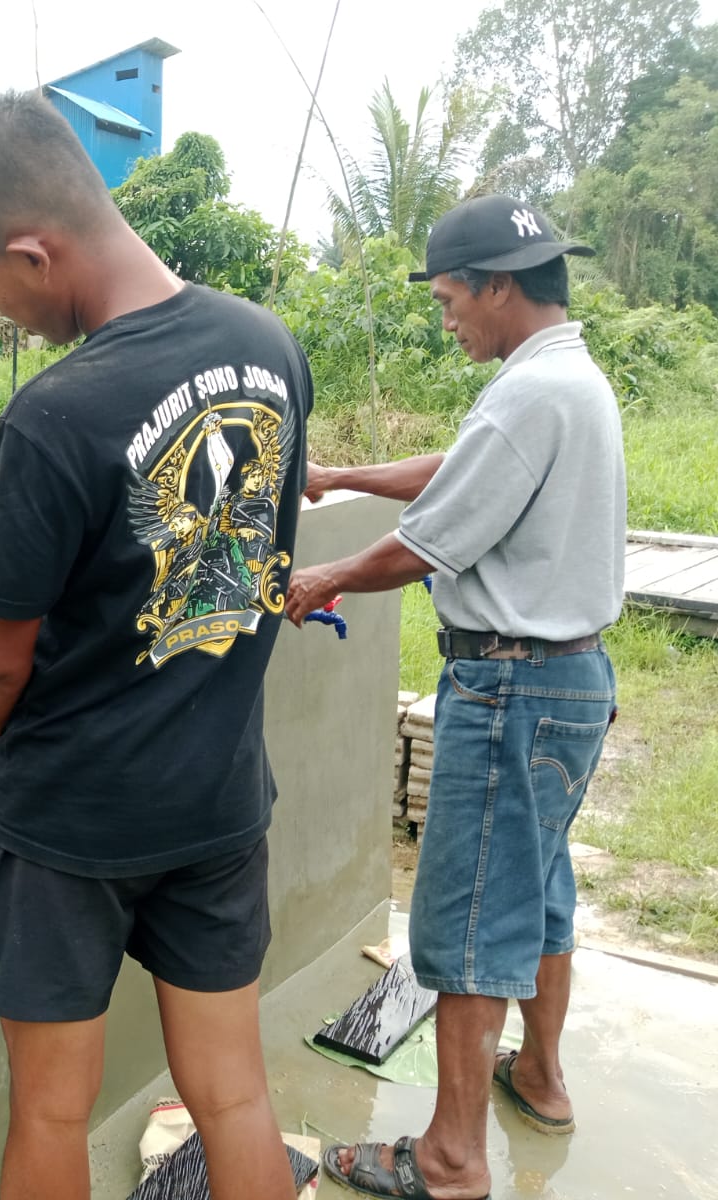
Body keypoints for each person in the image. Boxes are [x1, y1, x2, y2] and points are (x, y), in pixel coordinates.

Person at [0, 91, 312, 1200]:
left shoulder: (59, 411)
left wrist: (0, 747)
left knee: (51, 1110)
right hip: (220, 798)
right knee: (233, 1093)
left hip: (73, 820)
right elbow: (258, 559)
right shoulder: (267, 345)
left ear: (32, 250)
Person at [285, 194, 623, 1200]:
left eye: (448, 300)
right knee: (534, 892)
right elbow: (461, 474)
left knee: (471, 918)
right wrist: (338, 474)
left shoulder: (529, 394)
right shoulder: (564, 379)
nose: (446, 320)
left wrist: (323, 578)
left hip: (511, 683)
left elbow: (427, 542)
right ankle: (543, 1078)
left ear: (498, 286)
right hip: (568, 679)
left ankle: (448, 1160)